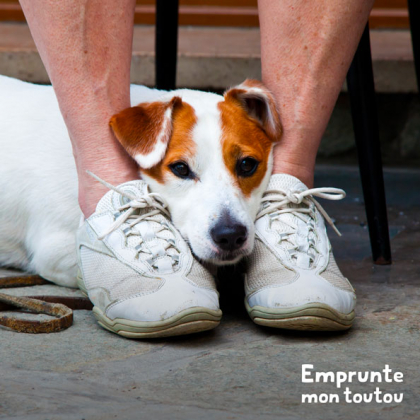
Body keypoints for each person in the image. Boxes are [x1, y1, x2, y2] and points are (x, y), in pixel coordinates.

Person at [19, 0, 372, 336]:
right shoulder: (128, 130)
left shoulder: (242, 119)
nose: (229, 224)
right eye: (183, 172)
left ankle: (287, 199)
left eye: (246, 166)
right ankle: (108, 213)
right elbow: (54, 256)